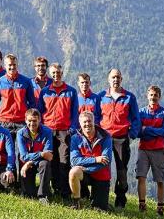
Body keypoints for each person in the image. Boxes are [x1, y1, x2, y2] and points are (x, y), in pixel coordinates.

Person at [98, 68, 140, 208]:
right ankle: (102, 197)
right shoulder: (101, 96)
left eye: (118, 77)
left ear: (121, 79)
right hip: (104, 138)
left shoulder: (129, 97)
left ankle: (120, 199)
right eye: (113, 77)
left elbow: (136, 119)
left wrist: (131, 134)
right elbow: (97, 116)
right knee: (104, 168)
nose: (115, 80)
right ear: (108, 79)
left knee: (122, 170)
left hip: (122, 138)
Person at [38, 63, 78, 201]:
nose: (56, 75)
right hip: (48, 130)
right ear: (50, 74)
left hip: (64, 131)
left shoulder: (71, 91)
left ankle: (65, 192)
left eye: (58, 72)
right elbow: (40, 111)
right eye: (53, 73)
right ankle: (53, 188)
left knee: (64, 160)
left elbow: (75, 113)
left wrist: (71, 128)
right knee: (51, 160)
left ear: (62, 72)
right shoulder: (45, 91)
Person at [137, 85, 164, 216]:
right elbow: (138, 131)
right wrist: (152, 132)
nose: (153, 98)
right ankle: (142, 204)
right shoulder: (141, 112)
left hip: (158, 150)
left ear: (159, 97)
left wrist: (147, 130)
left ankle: (160, 207)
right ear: (147, 96)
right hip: (143, 149)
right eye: (151, 95)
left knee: (160, 179)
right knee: (141, 176)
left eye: (155, 95)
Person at [69, 111, 112, 210]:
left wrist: (87, 168)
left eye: (89, 121)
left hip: (101, 175)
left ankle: (104, 203)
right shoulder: (75, 138)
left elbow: (106, 161)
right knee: (73, 171)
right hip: (84, 173)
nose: (87, 124)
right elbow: (74, 161)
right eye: (84, 122)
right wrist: (96, 159)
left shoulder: (105, 136)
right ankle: (77, 203)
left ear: (94, 121)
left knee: (99, 209)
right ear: (80, 124)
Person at [0, 53, 35, 142]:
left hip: (22, 122)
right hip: (4, 122)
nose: (12, 67)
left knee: (23, 152)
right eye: (9, 65)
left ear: (17, 65)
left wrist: (29, 119)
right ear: (5, 66)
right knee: (5, 152)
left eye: (14, 64)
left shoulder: (26, 81)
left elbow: (32, 102)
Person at [16, 109, 53, 204]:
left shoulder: (48, 132)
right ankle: (27, 189)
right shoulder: (20, 133)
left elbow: (48, 155)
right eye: (29, 121)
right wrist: (40, 154)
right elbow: (23, 156)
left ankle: (43, 195)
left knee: (45, 163)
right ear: (25, 120)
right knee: (29, 194)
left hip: (36, 162)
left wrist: (30, 162)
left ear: (39, 120)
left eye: (34, 121)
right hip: (27, 163)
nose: (32, 123)